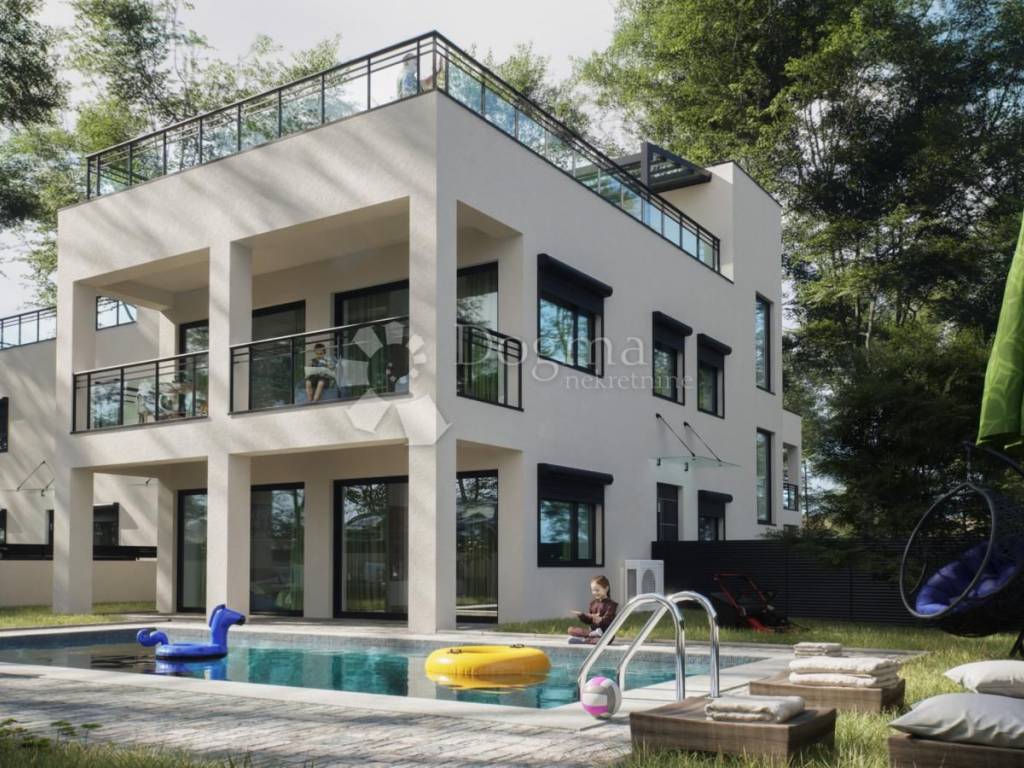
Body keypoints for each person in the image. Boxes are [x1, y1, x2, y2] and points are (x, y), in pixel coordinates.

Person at [568, 575, 618, 644]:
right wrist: (581, 615)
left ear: (606, 588)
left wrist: (600, 619)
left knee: (603, 640)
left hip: (606, 633)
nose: (595, 592)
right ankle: (590, 636)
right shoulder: (593, 604)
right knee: (570, 630)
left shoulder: (611, 605)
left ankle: (585, 639)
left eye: (597, 590)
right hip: (593, 632)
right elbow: (589, 621)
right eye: (593, 590)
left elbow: (608, 621)